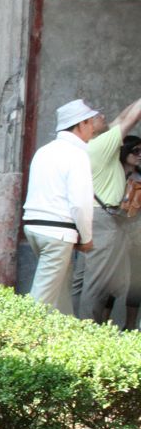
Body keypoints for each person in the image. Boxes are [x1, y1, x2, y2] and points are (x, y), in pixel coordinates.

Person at [22, 99, 97, 315]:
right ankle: (21, 340)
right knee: (41, 299)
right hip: (57, 233)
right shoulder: (77, 155)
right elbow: (81, 205)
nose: (92, 128)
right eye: (90, 122)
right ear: (80, 125)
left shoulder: (44, 151)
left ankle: (68, 333)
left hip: (35, 227)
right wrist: (86, 237)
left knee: (60, 289)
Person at [72, 96, 141, 325]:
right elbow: (130, 117)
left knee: (82, 280)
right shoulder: (102, 145)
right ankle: (87, 332)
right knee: (97, 282)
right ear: (85, 125)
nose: (103, 115)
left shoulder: (94, 144)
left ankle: (73, 326)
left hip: (91, 216)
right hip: (103, 220)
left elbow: (123, 115)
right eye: (96, 115)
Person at [120, 136, 141, 328]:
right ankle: (100, 323)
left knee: (137, 279)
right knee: (110, 278)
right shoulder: (113, 175)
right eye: (136, 151)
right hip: (115, 231)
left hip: (136, 233)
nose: (140, 155)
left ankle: (130, 325)